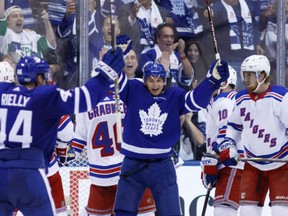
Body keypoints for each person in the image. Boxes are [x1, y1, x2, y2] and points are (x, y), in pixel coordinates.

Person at [0, 45, 125, 215]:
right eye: (44, 76)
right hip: (28, 170)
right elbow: (85, 98)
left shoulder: (3, 92)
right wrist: (105, 72)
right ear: (38, 77)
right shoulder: (44, 96)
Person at [109, 50, 230, 215]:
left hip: (162, 165)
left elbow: (197, 100)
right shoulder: (133, 89)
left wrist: (211, 80)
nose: (155, 84)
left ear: (165, 81)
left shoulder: (175, 96)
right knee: (123, 212)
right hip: (133, 163)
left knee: (171, 213)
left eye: (159, 80)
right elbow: (114, 79)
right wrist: (115, 54)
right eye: (151, 80)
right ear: (144, 80)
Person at [211, 55, 288, 216]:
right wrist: (230, 145)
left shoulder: (281, 97)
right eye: (244, 74)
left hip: (281, 164)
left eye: (249, 75)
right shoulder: (241, 98)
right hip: (252, 163)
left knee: (280, 212)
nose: (245, 79)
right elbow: (233, 127)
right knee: (247, 212)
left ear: (262, 75)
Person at [201, 65, 245, 216]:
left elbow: (226, 137)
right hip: (238, 165)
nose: (208, 85)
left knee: (223, 211)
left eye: (212, 81)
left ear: (224, 83)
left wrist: (212, 161)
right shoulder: (233, 99)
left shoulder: (223, 101)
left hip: (232, 166)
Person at [204, 0, 264, 90]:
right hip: (230, 60)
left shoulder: (247, 4)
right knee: (231, 94)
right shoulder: (219, 6)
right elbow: (208, 13)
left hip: (248, 60)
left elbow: (254, 24)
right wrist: (209, 13)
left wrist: (257, 43)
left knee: (249, 94)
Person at [139, 22, 193, 88]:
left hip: (174, 95)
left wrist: (182, 53)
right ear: (158, 39)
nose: (169, 40)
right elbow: (153, 74)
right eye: (166, 36)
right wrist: (167, 53)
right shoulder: (147, 53)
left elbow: (189, 75)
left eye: (171, 37)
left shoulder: (177, 56)